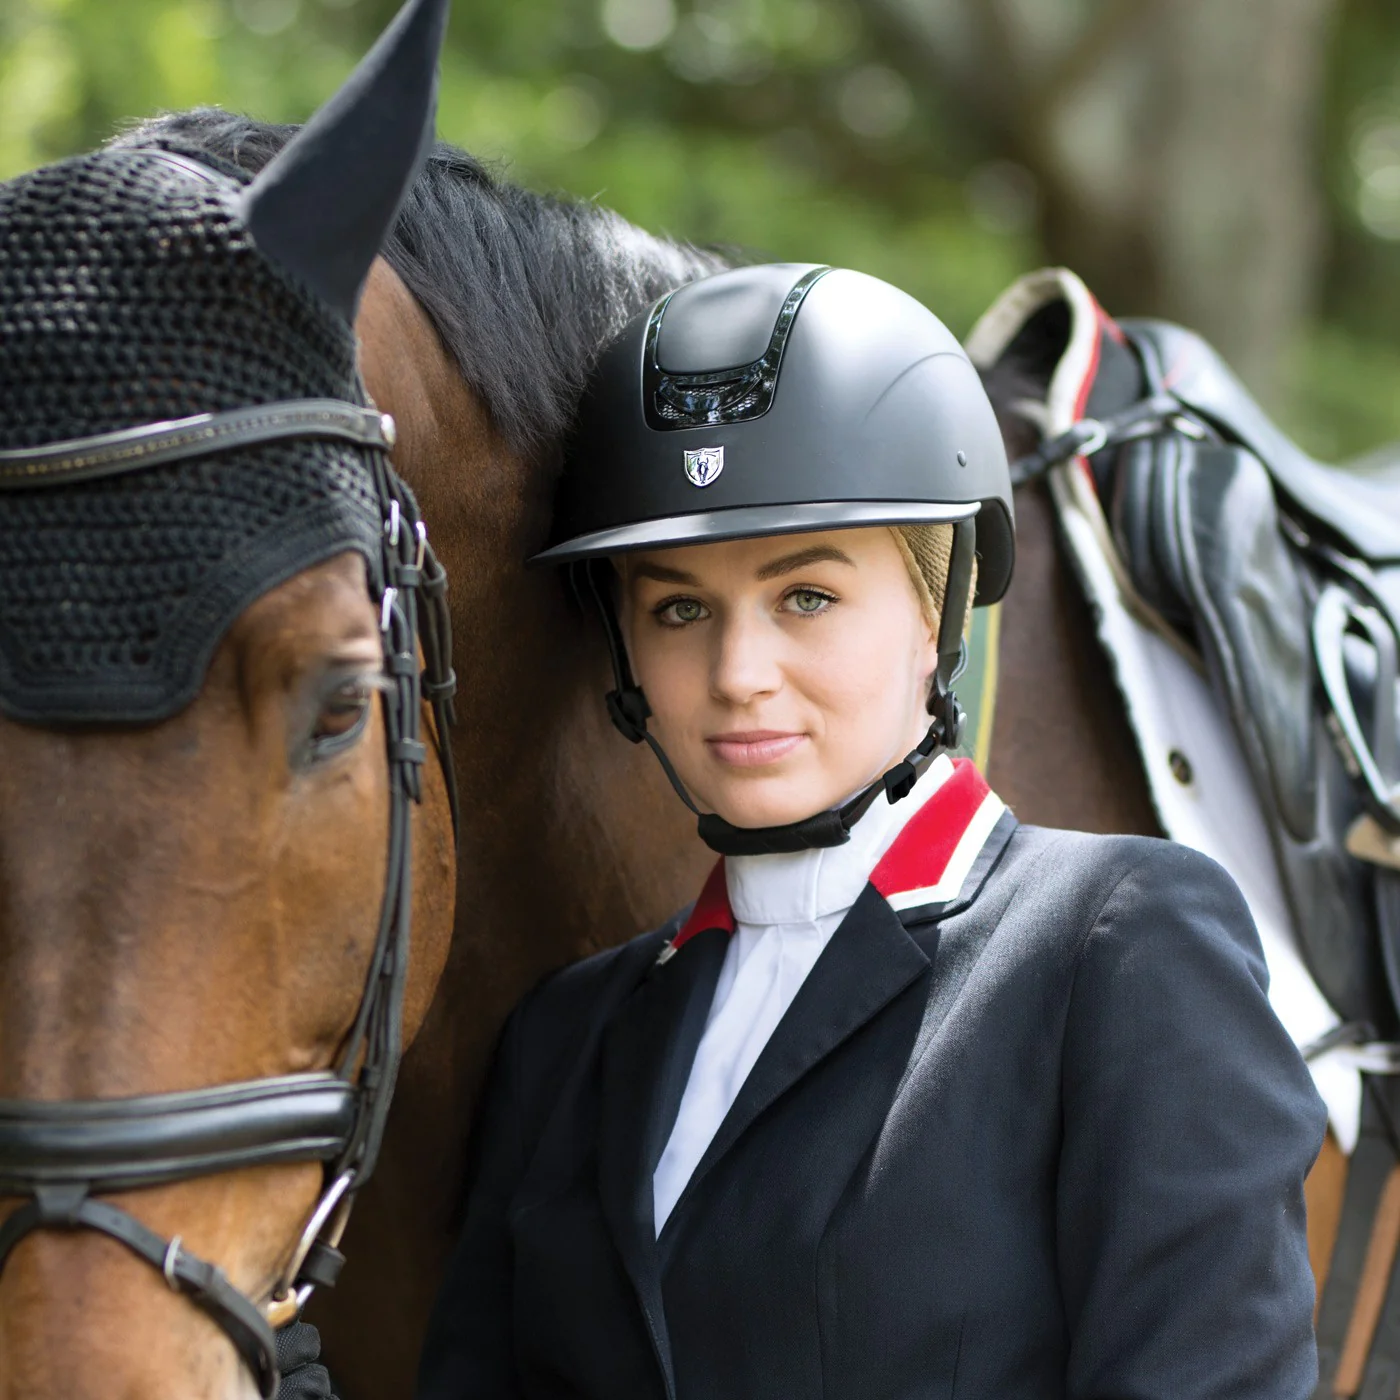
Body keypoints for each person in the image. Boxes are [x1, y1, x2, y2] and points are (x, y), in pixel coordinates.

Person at [414, 263, 1327, 1399]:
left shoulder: (1121, 945)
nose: (737, 673)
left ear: (935, 608)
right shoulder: (564, 1038)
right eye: (679, 608)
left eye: (806, 596)